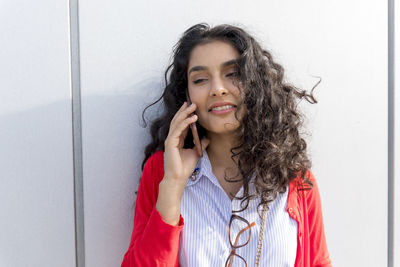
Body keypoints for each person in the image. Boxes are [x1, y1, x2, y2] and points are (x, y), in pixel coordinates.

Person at [121, 23, 331, 267]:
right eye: (200, 79)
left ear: (255, 85)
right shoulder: (161, 172)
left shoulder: (295, 179)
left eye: (232, 74)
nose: (218, 90)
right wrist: (173, 185)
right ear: (186, 95)